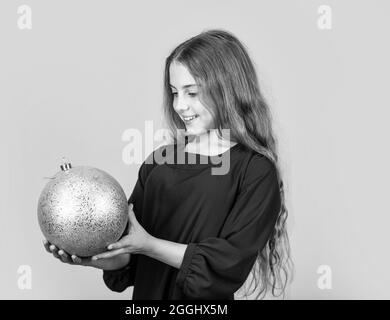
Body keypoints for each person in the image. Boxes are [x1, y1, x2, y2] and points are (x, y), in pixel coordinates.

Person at [43, 29, 293, 300]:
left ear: (227, 89)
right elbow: (131, 256)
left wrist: (149, 245)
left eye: (192, 92)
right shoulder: (159, 162)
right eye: (175, 93)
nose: (180, 106)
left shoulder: (255, 172)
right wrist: (94, 257)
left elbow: (227, 265)